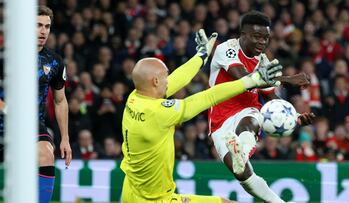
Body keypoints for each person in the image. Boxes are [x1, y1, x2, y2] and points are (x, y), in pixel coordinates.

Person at [120, 29, 283, 203]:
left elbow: (176, 79)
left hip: (130, 190)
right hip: (157, 200)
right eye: (165, 76)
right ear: (155, 82)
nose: (168, 80)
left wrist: (201, 56)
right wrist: (251, 80)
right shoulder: (160, 113)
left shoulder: (135, 98)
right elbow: (208, 97)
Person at [208, 11, 315, 203]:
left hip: (248, 113)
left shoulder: (263, 61)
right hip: (220, 120)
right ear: (242, 34)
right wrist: (287, 80)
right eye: (257, 36)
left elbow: (272, 98)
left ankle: (241, 150)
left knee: (253, 118)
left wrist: (296, 116)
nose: (262, 42)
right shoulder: (227, 49)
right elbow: (244, 79)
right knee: (244, 177)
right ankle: (241, 154)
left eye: (266, 38)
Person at [0, 6, 72, 203]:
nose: (43, 31)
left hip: (30, 125)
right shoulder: (6, 56)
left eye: (47, 26)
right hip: (2, 123)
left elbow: (60, 100)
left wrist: (64, 138)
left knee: (46, 154)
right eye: (38, 25)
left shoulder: (54, 61)